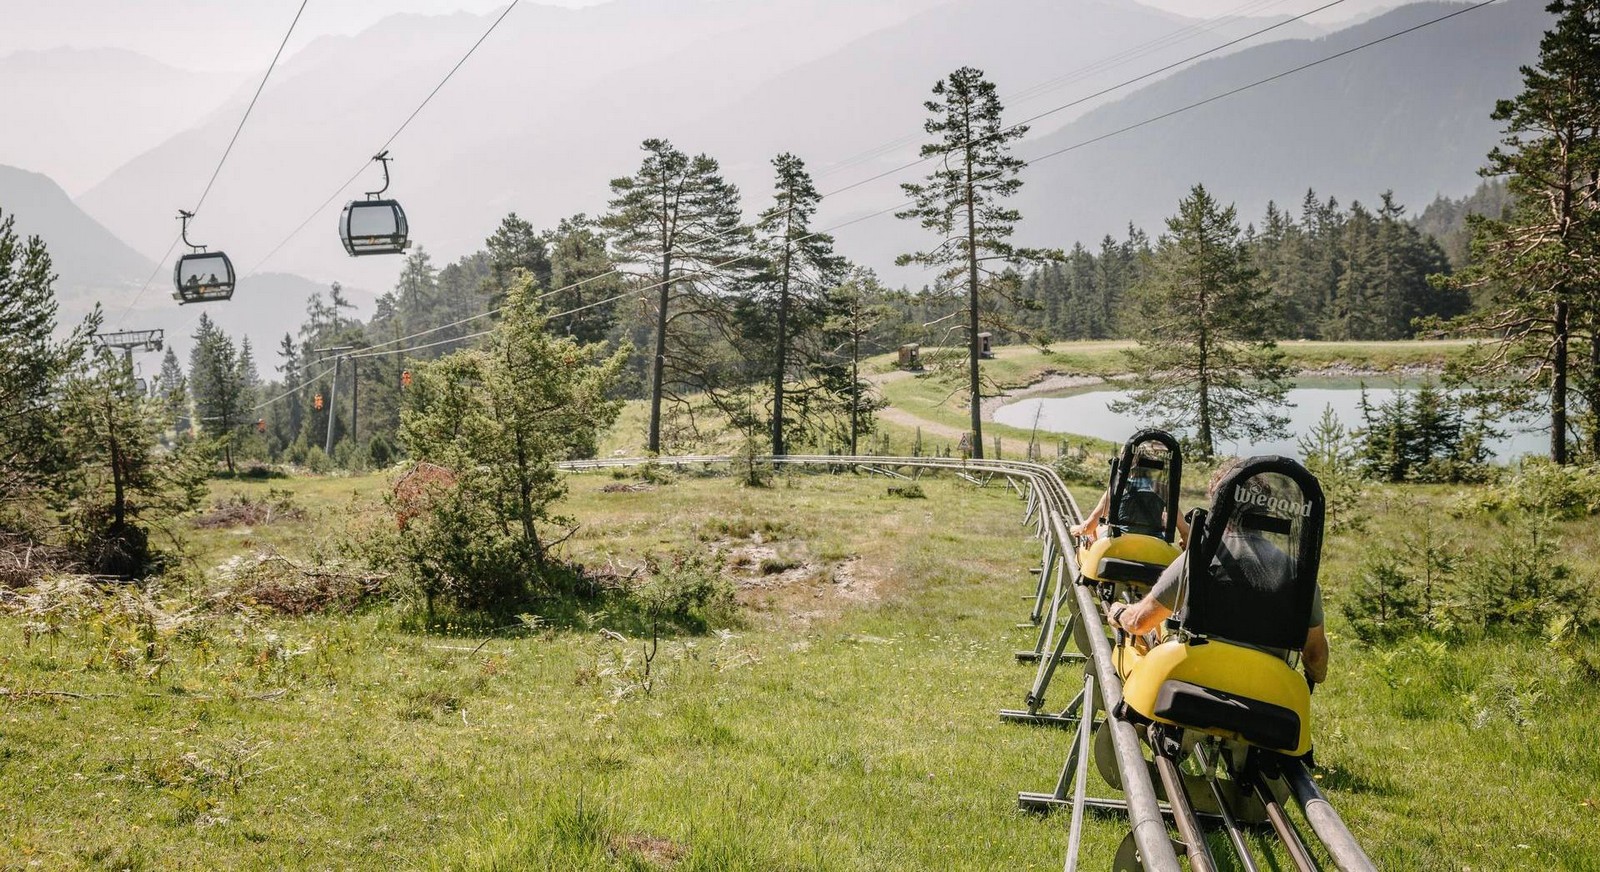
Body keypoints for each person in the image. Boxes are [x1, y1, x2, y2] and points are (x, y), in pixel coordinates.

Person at [1106, 459, 1329, 686]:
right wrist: (1313, 676)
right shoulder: (1299, 576)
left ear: (1219, 506)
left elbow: (1140, 622)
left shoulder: (1199, 559)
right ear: (1265, 509)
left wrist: (1118, 612)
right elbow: (1315, 657)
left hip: (1198, 680)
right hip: (1269, 690)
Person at [1071, 475, 1190, 546]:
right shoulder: (1163, 490)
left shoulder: (1118, 487)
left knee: (1098, 527)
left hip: (1120, 542)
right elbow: (1185, 531)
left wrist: (1075, 529)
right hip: (1155, 545)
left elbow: (1089, 527)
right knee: (1164, 517)